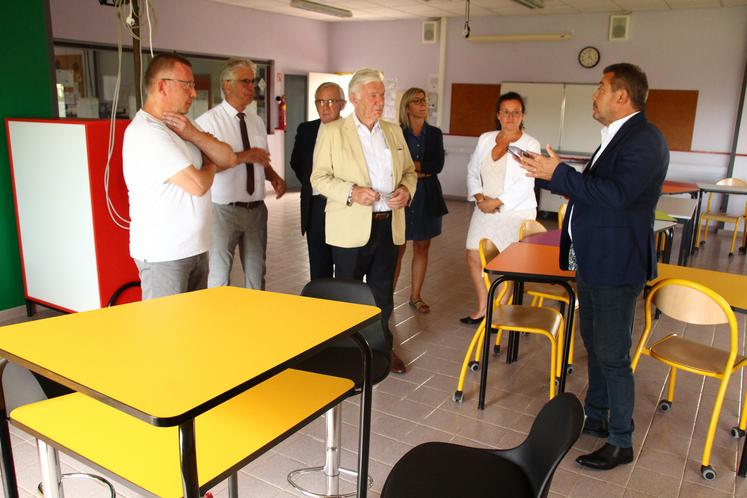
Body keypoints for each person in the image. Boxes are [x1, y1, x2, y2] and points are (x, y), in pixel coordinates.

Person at [520, 63, 668, 470]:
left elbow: (615, 196)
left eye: (600, 88)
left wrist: (560, 174)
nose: (594, 95)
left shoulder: (645, 140)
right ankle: (597, 415)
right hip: (595, 258)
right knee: (595, 343)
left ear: (622, 96)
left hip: (616, 263)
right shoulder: (618, 137)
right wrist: (549, 174)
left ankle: (621, 440)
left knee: (613, 353)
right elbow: (597, 192)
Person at [311, 68, 417, 374]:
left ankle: (382, 349)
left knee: (383, 295)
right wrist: (351, 192)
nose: (380, 101)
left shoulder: (393, 131)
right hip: (350, 229)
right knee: (348, 294)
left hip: (387, 224)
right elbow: (318, 178)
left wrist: (405, 191)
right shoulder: (333, 132)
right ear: (355, 98)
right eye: (374, 95)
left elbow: (409, 171)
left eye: (382, 95)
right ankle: (345, 352)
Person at [123, 53, 236, 300]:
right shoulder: (146, 132)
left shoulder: (181, 124)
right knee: (166, 334)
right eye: (188, 86)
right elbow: (198, 185)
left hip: (194, 248)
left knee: (192, 329)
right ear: (163, 86)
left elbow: (228, 158)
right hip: (164, 254)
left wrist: (195, 136)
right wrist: (209, 161)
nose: (194, 93)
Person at [196, 58, 287, 290]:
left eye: (253, 81)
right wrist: (245, 156)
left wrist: (273, 176)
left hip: (256, 210)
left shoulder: (255, 121)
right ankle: (220, 323)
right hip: (224, 210)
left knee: (257, 276)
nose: (251, 87)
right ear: (227, 85)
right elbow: (208, 165)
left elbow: (261, 159)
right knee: (219, 275)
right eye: (245, 81)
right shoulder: (208, 123)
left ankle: (254, 322)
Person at [460, 92, 540, 324]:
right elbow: (473, 170)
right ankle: (484, 307)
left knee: (508, 263)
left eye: (516, 112)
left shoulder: (530, 143)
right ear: (498, 115)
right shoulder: (486, 138)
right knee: (473, 255)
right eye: (505, 112)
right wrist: (479, 197)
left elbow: (526, 181)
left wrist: (497, 202)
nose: (510, 117)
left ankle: (500, 312)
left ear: (522, 115)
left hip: (515, 212)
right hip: (484, 207)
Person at [392, 88, 447, 314]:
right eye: (417, 101)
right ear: (407, 107)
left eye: (424, 101)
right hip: (403, 194)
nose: (423, 104)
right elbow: (396, 166)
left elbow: (437, 166)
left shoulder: (434, 133)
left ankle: (415, 296)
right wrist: (418, 168)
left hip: (427, 195)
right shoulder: (396, 133)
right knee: (398, 248)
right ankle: (387, 296)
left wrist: (413, 166)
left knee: (422, 247)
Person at [290, 82, 346, 279]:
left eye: (331, 101)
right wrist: (315, 183)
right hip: (315, 206)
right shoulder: (307, 130)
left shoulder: (351, 131)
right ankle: (320, 306)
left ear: (343, 104)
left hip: (343, 205)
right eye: (320, 102)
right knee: (319, 265)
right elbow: (296, 162)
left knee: (344, 263)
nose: (325, 106)